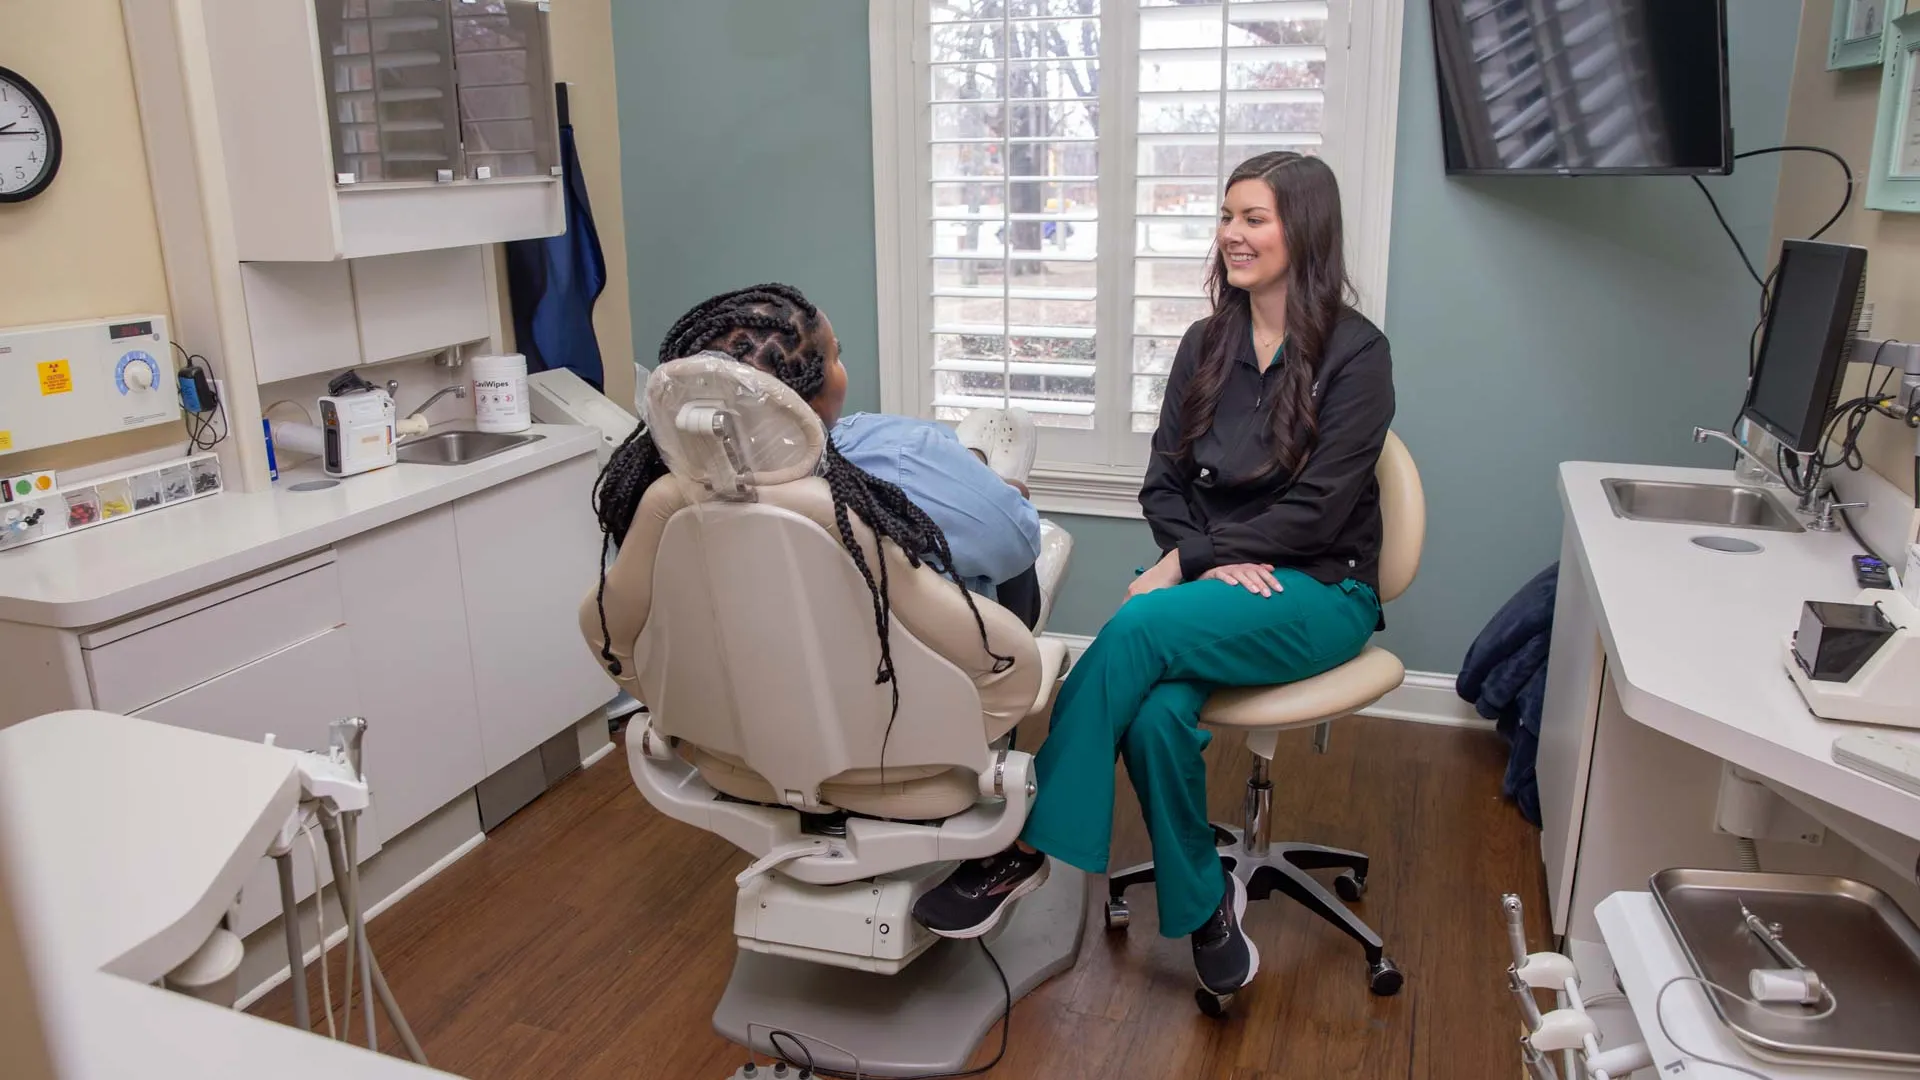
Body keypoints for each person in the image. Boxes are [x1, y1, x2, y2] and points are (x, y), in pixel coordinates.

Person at [911, 152, 1396, 1001]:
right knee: (1156, 715)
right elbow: (1161, 485)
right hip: (1214, 590)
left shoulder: (1358, 354)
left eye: (1255, 218)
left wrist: (1190, 560)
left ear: (1305, 230)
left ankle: (1022, 848)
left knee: (1133, 628)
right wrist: (1206, 560)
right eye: (1227, 216)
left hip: (1322, 590)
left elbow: (1320, 512)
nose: (1232, 235)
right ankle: (1208, 909)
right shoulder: (1207, 344)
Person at [588, 283, 1044, 700]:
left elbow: (616, 625)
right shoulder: (894, 454)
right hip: (909, 707)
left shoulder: (661, 493)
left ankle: (977, 470)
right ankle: (986, 473)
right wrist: (1004, 496)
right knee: (1012, 521)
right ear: (814, 388)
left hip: (745, 727)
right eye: (835, 357)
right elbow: (1018, 546)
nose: (841, 368)